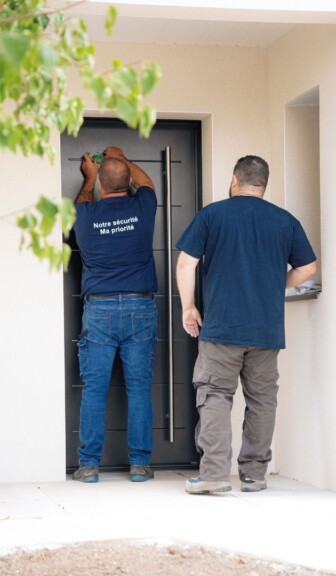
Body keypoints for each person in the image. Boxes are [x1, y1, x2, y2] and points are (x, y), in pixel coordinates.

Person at [175, 155, 317, 495]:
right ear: (263, 185)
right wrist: (274, 282)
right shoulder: (284, 221)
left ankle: (214, 475)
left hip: (222, 328)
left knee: (215, 397)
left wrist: (189, 306)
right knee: (262, 400)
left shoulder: (213, 214)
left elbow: (185, 264)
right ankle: (254, 475)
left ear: (234, 179)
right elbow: (308, 268)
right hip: (266, 332)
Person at [71, 146, 158, 484]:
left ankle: (89, 466)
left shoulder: (85, 215)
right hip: (140, 307)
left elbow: (81, 200)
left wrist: (90, 177)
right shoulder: (144, 207)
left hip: (100, 309)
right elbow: (147, 182)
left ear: (100, 186)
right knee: (138, 388)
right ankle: (139, 466)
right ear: (127, 183)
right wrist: (122, 157)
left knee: (95, 388)